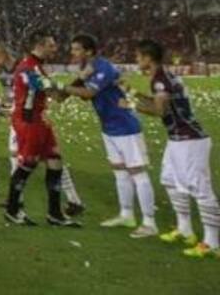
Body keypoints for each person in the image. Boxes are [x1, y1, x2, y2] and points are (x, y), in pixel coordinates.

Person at [63, 34, 157, 238]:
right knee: (120, 172)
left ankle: (150, 222)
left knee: (137, 173)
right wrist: (76, 86)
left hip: (125, 126)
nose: (73, 52)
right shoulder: (88, 68)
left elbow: (89, 93)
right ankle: (126, 215)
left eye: (77, 49)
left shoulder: (103, 67)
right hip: (109, 127)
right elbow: (87, 95)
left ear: (89, 51)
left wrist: (64, 88)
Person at [133, 39, 219, 259]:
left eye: (138, 56)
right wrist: (133, 93)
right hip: (178, 139)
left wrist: (132, 105)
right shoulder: (163, 76)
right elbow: (159, 102)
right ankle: (185, 229)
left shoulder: (160, 79)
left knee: (200, 188)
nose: (137, 60)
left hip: (190, 140)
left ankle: (212, 242)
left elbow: (159, 110)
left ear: (147, 58)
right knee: (170, 180)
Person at [0, 44, 84, 215]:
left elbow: (44, 92)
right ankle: (17, 200)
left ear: (2, 56)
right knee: (45, 158)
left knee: (41, 159)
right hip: (21, 118)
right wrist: (2, 106)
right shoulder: (4, 72)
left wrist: (9, 108)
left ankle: (71, 199)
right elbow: (13, 95)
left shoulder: (24, 67)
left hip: (29, 120)